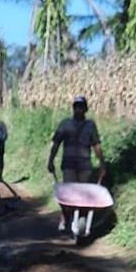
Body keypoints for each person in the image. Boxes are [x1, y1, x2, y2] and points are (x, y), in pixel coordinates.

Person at [47, 95, 107, 230]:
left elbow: (96, 145)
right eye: (76, 107)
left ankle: (82, 217)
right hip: (68, 165)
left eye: (81, 107)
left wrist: (102, 164)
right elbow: (55, 144)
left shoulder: (90, 126)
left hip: (85, 166)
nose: (79, 110)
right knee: (67, 195)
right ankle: (65, 216)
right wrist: (50, 160)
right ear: (73, 108)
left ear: (86, 109)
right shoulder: (65, 124)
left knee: (84, 196)